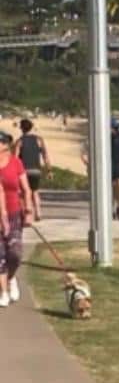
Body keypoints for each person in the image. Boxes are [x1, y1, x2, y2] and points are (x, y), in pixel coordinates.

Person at [0, 130, 33, 308]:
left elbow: (26, 189)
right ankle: (3, 290)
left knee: (15, 253)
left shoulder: (15, 163)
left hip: (14, 213)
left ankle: (11, 278)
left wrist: (28, 210)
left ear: (6, 144)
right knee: (1, 255)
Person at [14, 119, 49, 222]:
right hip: (36, 170)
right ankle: (38, 213)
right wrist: (49, 170)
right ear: (31, 127)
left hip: (24, 171)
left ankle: (27, 215)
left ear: (21, 128)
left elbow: (15, 158)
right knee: (35, 191)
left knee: (25, 192)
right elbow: (45, 155)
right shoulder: (39, 140)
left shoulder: (19, 141)